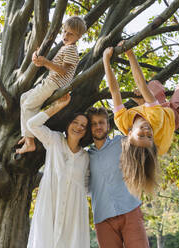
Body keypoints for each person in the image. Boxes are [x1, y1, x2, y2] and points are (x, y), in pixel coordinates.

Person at [102, 42, 179, 197]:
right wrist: (130, 53)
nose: (147, 131)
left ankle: (144, 102)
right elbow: (141, 85)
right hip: (174, 115)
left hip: (156, 108)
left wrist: (106, 61)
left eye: (141, 135)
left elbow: (114, 91)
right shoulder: (154, 122)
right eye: (149, 137)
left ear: (128, 135)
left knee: (154, 84)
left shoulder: (121, 120)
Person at [15, 16, 87, 157]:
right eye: (64, 31)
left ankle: (30, 141)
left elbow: (63, 71)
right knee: (24, 98)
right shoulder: (65, 48)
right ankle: (28, 134)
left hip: (54, 84)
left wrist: (45, 62)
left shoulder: (71, 50)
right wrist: (40, 61)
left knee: (29, 105)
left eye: (70, 33)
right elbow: (53, 66)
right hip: (50, 81)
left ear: (78, 36)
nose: (65, 35)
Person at [26, 93, 90, 248]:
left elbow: (87, 187)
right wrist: (57, 106)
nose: (79, 127)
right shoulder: (54, 140)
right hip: (49, 207)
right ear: (68, 125)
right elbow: (32, 125)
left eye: (83, 125)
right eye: (76, 122)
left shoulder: (86, 157)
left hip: (73, 215)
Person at [87, 107, 150, 248]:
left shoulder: (122, 142)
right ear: (89, 128)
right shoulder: (85, 157)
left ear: (108, 125)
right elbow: (85, 187)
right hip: (103, 218)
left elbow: (144, 133)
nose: (98, 126)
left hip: (130, 210)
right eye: (94, 123)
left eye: (101, 122)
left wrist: (141, 103)